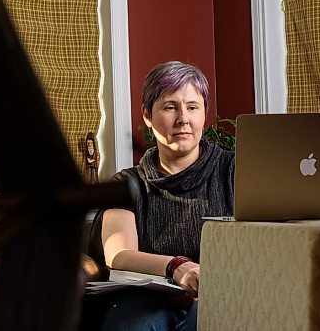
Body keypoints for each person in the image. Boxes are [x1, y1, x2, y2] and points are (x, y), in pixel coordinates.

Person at [94, 61, 235, 330]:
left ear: (204, 114)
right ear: (147, 116)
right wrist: (177, 266)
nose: (183, 118)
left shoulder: (235, 171)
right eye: (170, 107)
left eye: (193, 107)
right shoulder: (126, 184)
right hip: (145, 299)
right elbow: (119, 253)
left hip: (221, 292)